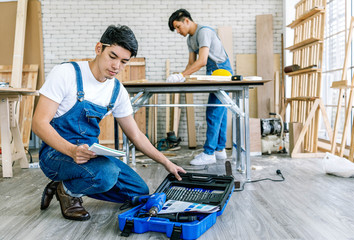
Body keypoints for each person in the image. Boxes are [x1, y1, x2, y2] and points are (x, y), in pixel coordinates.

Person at [32, 25, 186, 221]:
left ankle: (65, 183)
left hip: (89, 154)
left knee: (138, 190)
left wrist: (166, 162)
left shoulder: (116, 90)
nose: (116, 66)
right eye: (112, 56)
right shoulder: (66, 73)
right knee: (106, 174)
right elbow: (38, 123)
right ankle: (68, 191)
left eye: (124, 61)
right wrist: (72, 150)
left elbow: (136, 135)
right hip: (56, 153)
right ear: (99, 48)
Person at [167, 9, 234, 165]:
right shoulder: (190, 39)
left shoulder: (204, 32)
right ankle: (219, 150)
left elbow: (202, 60)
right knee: (220, 112)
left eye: (178, 27)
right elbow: (191, 63)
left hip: (222, 70)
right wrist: (182, 77)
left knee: (214, 112)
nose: (178, 31)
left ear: (187, 21)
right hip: (213, 72)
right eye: (175, 29)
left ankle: (209, 152)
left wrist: (181, 76)